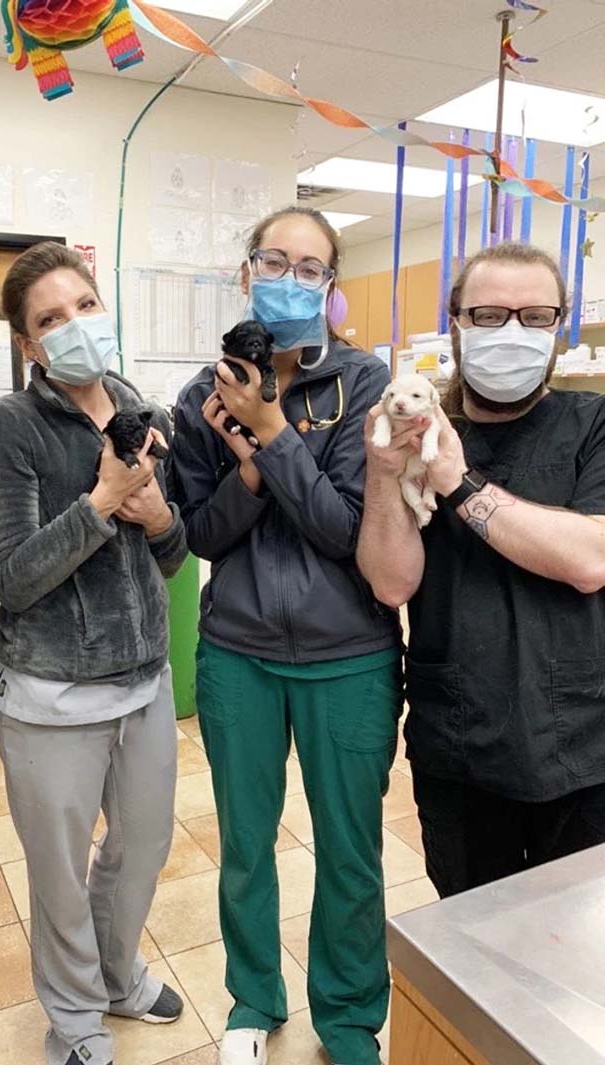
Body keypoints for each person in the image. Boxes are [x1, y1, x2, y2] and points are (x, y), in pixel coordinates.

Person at [171, 207, 402, 1065]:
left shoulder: (365, 384)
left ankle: (348, 1017)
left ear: (330, 285)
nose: (290, 279)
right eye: (274, 261)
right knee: (244, 845)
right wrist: (248, 475)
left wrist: (270, 436)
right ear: (246, 273)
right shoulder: (201, 396)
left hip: (350, 656)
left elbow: (346, 529)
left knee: (350, 851)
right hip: (239, 655)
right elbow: (201, 534)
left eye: (310, 267)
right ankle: (253, 998)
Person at [0, 242, 188, 1065]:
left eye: (84, 306)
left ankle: (117, 975)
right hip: (49, 691)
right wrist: (101, 501)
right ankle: (74, 1016)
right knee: (59, 871)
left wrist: (156, 515)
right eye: (51, 319)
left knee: (143, 848)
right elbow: (13, 577)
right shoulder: (9, 426)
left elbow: (173, 554)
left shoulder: (140, 409)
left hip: (145, 678)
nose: (75, 325)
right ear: (29, 343)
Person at [357, 241, 605, 899]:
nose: (512, 333)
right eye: (489, 315)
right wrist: (384, 475)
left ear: (559, 325)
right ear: (456, 324)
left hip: (583, 746)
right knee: (472, 936)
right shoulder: (411, 432)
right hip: (459, 741)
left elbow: (591, 559)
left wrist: (456, 481)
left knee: (576, 941)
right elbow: (390, 582)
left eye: (535, 316)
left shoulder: (594, 424)